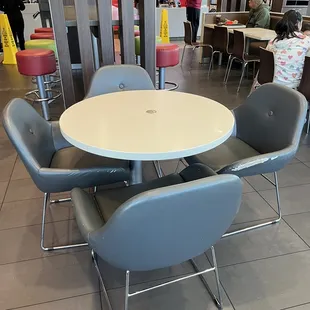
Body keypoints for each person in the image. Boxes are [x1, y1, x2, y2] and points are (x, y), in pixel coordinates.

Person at [251, 10, 310, 92]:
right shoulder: (306, 41)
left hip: (265, 85)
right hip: (290, 88)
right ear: (298, 23)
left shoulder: (273, 41)